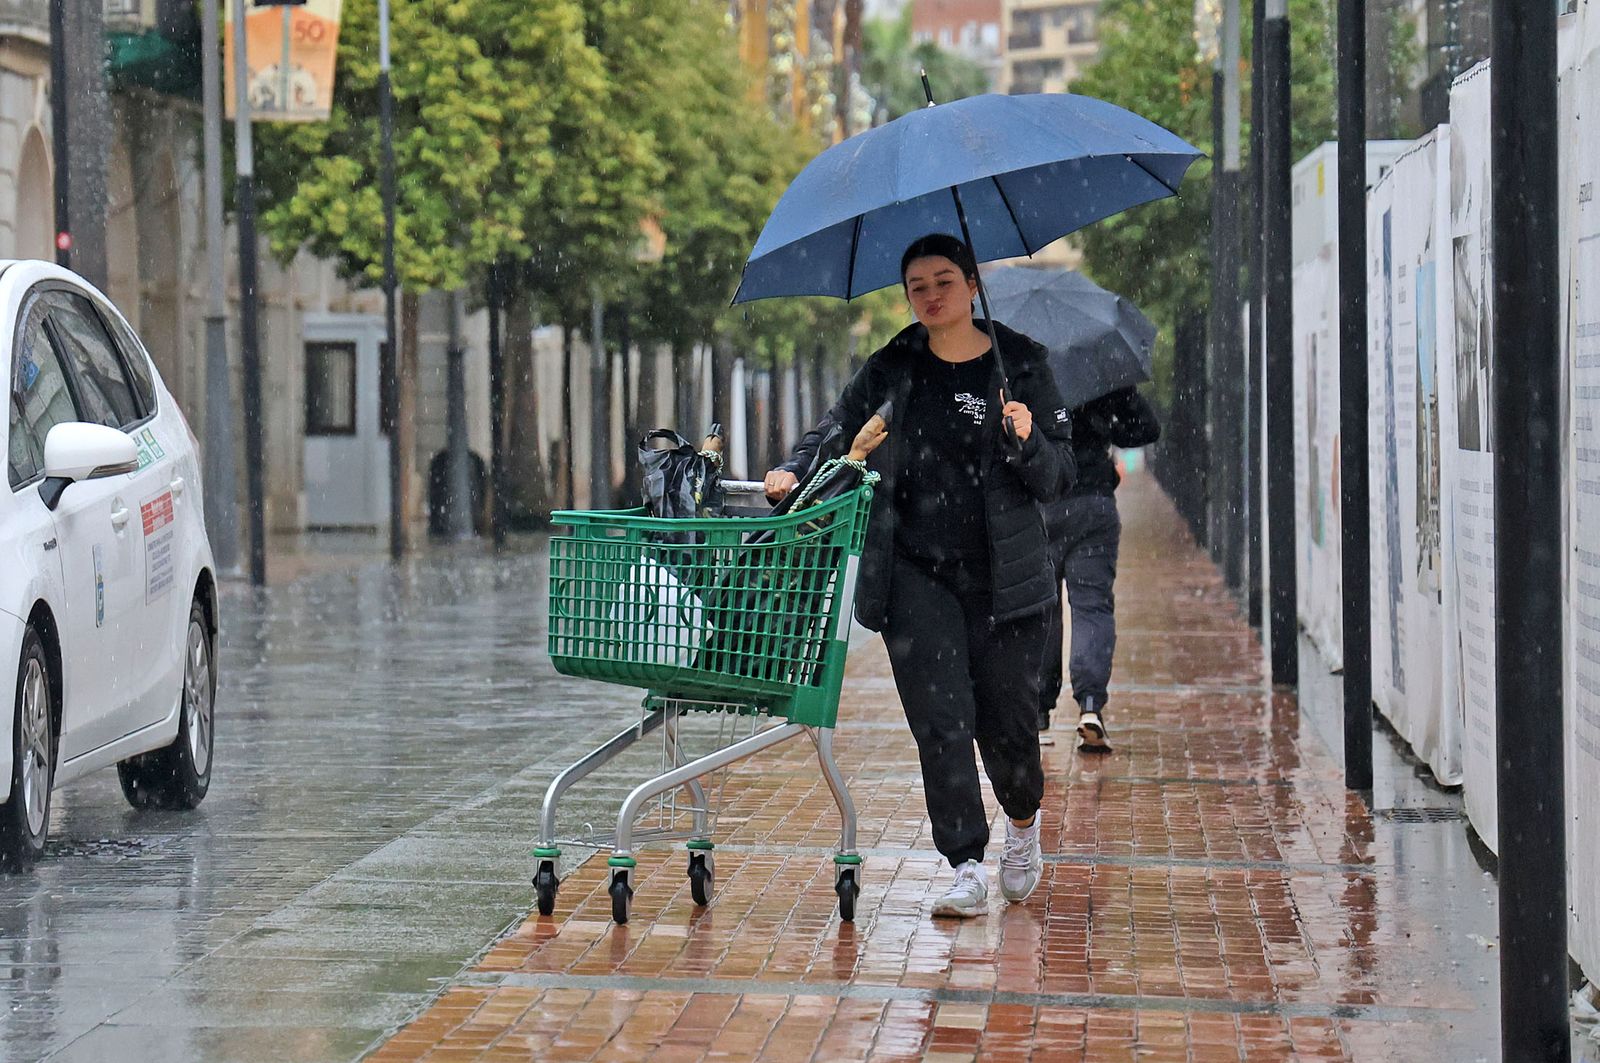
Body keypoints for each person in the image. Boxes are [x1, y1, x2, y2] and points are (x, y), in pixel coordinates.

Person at [764, 234, 1076, 918]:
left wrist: (1026, 439)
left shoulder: (1020, 363)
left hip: (1008, 581)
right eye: (917, 286)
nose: (931, 295)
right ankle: (964, 861)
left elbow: (1059, 477)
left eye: (943, 281)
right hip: (915, 575)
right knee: (940, 721)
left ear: (971, 284)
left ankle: (1023, 823)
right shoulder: (897, 364)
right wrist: (795, 467)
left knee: (1007, 727)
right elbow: (838, 426)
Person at [1038, 385, 1161, 752]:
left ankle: (1037, 710)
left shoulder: (1024, 366)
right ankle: (1090, 705)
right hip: (1093, 503)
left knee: (1042, 607)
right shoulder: (1102, 375)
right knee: (1092, 606)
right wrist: (1105, 424)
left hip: (1040, 504)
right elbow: (1146, 429)